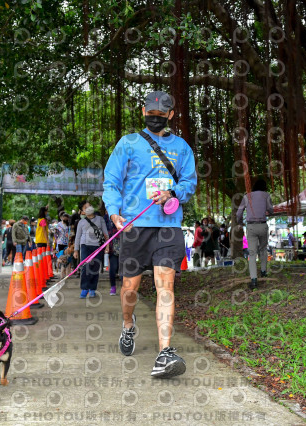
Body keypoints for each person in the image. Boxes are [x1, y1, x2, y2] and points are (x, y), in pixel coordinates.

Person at [103, 90, 197, 378]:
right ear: (143, 112)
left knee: (165, 285)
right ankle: (128, 325)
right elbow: (111, 181)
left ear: (170, 115)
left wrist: (174, 192)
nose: (154, 119)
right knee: (130, 288)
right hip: (134, 226)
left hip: (168, 226)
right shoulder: (128, 143)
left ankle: (164, 352)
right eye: (150, 114)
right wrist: (114, 211)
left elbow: (190, 184)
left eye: (160, 115)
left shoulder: (182, 148)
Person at [236, 178, 274, 289]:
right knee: (263, 249)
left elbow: (239, 213)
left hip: (251, 226)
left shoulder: (246, 196)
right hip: (262, 225)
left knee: (252, 253)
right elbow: (271, 210)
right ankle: (263, 271)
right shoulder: (266, 195)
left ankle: (254, 279)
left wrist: (240, 222)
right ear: (264, 187)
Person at [74, 200, 109, 298]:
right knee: (86, 267)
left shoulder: (100, 219)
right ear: (82, 212)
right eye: (85, 207)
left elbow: (105, 233)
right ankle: (85, 288)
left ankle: (92, 289)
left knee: (95, 268)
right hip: (85, 245)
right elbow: (78, 236)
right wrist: (76, 250)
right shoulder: (81, 222)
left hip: (98, 246)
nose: (89, 208)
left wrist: (107, 246)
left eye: (89, 206)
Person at [102, 204, 120, 296]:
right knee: (113, 268)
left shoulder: (123, 217)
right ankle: (113, 286)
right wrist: (107, 245)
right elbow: (105, 233)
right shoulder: (106, 220)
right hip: (112, 246)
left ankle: (127, 287)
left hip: (124, 245)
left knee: (124, 269)